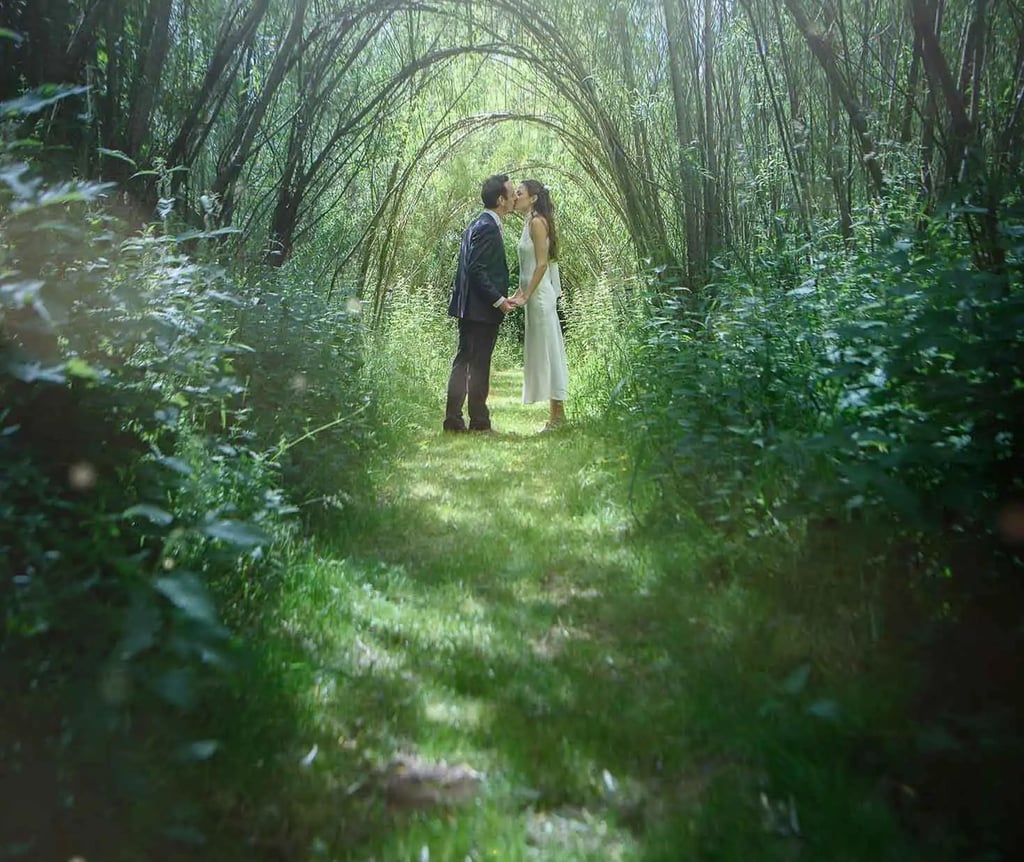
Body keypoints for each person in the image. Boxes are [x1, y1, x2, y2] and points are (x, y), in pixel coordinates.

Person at [443, 174, 518, 433]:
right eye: (511, 193)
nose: (514, 197)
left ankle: (455, 420)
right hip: (479, 310)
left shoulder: (479, 223)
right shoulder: (486, 226)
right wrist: (498, 300)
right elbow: (476, 269)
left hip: (471, 308)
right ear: (501, 200)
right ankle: (477, 423)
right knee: (475, 365)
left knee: (466, 363)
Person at [510, 179, 568, 429]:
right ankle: (556, 415)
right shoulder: (528, 222)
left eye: (519, 193)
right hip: (533, 295)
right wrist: (518, 292)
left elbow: (542, 265)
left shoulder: (536, 222)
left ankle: (558, 416)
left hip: (541, 297)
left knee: (549, 351)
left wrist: (527, 294)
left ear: (533, 198)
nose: (515, 197)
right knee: (542, 351)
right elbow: (528, 267)